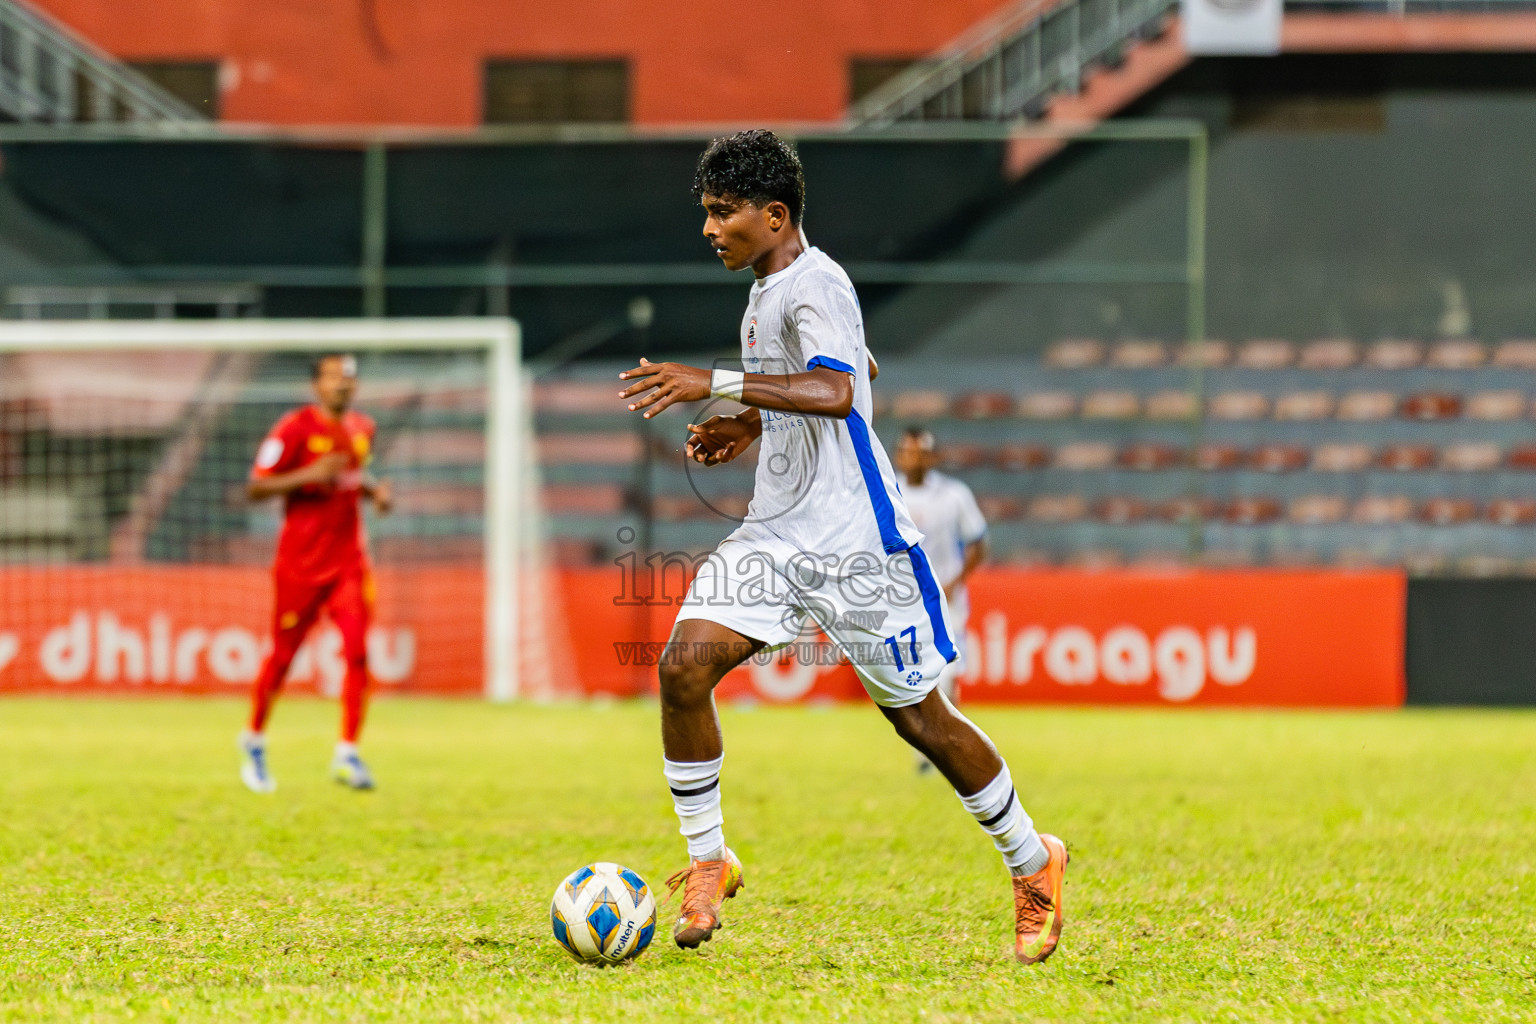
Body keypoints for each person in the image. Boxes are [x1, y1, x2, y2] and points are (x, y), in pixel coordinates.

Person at [617, 130, 1068, 965]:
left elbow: (838, 388)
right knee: (682, 668)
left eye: (724, 214)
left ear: (775, 213)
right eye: (707, 213)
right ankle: (709, 859)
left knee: (923, 723)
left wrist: (712, 381)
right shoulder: (768, 289)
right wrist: (750, 424)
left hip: (860, 546)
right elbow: (851, 369)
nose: (710, 230)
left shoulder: (814, 283)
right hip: (778, 534)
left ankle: (1034, 863)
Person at [238, 353, 393, 793]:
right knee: (283, 657)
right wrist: (306, 473)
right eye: (332, 378)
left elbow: (352, 475)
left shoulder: (363, 429)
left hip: (348, 562)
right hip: (300, 565)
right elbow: (254, 487)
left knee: (358, 652)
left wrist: (374, 492)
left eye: (348, 379)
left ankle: (348, 753)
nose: (342, 385)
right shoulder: (293, 429)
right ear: (316, 385)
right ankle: (254, 739)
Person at [893, 426, 988, 771]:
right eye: (908, 451)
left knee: (947, 677)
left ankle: (948, 748)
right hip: (903, 603)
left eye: (921, 452)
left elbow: (979, 541)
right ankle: (927, 752)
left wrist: (955, 582)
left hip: (947, 604)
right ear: (899, 456)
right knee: (913, 677)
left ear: (933, 457)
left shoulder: (954, 495)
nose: (914, 458)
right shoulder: (887, 492)